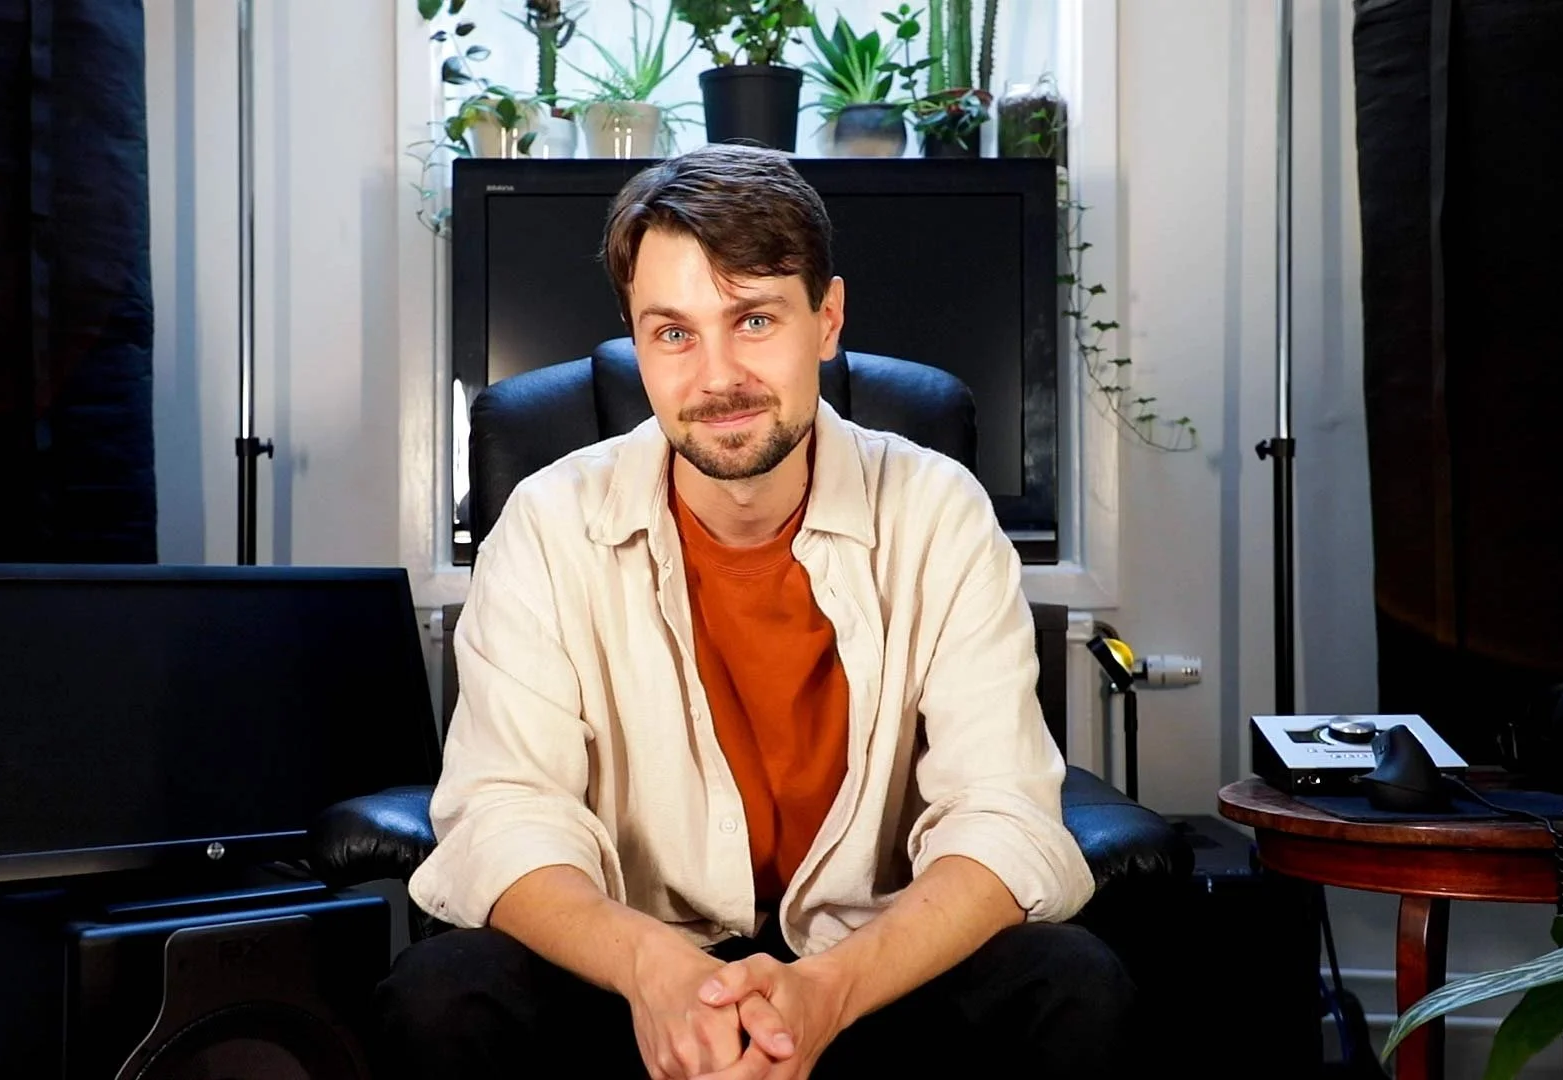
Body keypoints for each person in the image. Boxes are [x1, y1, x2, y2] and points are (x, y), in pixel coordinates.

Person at [375, 143, 1135, 1079]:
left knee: (1070, 981)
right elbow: (504, 814)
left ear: (827, 319)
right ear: (636, 337)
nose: (718, 376)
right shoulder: (546, 521)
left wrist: (828, 993)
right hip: (636, 967)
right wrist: (652, 971)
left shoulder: (938, 510)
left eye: (755, 319)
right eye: (675, 333)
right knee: (443, 993)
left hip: (868, 967)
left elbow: (1002, 815)